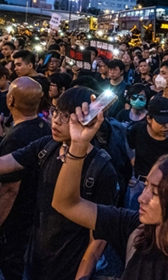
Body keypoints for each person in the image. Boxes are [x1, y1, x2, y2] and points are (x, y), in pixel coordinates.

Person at [50, 115, 168, 279]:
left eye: (155, 192)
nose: (142, 197)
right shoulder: (134, 228)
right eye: (146, 185)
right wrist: (79, 144)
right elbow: (66, 204)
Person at [0, 87, 118, 280]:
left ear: (87, 118)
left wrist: (83, 275)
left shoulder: (101, 169)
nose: (55, 120)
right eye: (55, 112)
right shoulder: (47, 146)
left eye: (66, 117)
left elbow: (98, 237)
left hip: (69, 268)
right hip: (34, 263)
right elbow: (6, 163)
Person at [0, 77, 51, 280]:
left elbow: (9, 189)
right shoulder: (45, 127)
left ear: (10, 100)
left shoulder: (15, 139)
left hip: (17, 220)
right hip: (37, 214)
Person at [127, 97, 168, 198]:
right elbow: (128, 145)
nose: (166, 126)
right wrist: (132, 159)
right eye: (162, 122)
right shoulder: (138, 130)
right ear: (149, 119)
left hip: (164, 189)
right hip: (138, 184)